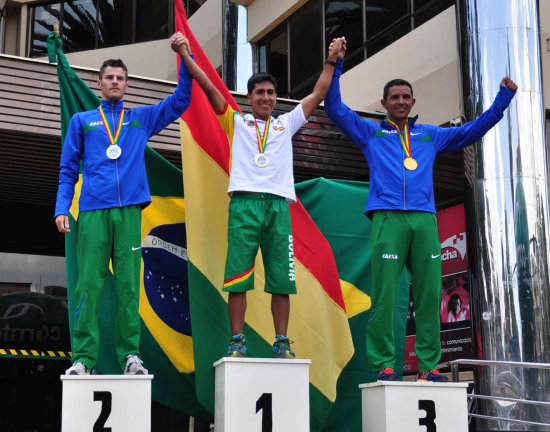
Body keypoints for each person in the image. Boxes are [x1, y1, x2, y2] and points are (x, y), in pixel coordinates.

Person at [324, 39, 517, 382]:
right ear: (384, 103)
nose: (400, 101)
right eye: (394, 97)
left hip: (425, 219)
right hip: (388, 217)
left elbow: (471, 131)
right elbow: (336, 108)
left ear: (413, 101)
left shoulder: (429, 135)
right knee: (384, 297)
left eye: (405, 97)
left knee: (429, 295)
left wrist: (502, 101)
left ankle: (428, 367)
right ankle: (384, 363)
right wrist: (335, 65)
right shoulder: (372, 133)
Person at [178, 35, 347, 359]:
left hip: (278, 208)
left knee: (281, 280)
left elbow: (319, 93)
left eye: (270, 93)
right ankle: (237, 341)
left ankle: (281, 341)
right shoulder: (236, 121)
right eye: (260, 93)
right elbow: (208, 86)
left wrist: (332, 59)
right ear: (250, 97)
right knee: (238, 277)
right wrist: (186, 53)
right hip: (244, 205)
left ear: (276, 97)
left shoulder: (286, 124)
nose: (266, 98)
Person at [54, 33, 193, 375]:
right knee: (89, 284)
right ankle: (83, 359)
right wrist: (61, 207)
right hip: (91, 213)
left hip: (129, 212)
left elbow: (180, 101)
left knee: (130, 286)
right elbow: (68, 168)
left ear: (127, 84)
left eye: (120, 78)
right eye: (109, 78)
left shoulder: (139, 119)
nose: (115, 82)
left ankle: (130, 355)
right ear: (99, 83)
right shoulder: (82, 122)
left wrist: (183, 56)